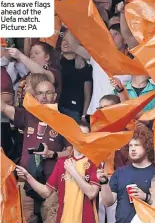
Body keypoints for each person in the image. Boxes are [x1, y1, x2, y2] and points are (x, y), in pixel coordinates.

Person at [1, 80, 73, 223]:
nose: (44, 97)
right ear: (34, 96)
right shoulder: (27, 115)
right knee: (25, 219)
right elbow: (3, 106)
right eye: (39, 93)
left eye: (48, 93)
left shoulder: (64, 120)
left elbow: (71, 152)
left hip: (52, 183)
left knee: (51, 220)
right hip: (26, 180)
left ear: (55, 96)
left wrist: (52, 154)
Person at [15, 119, 100, 223]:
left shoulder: (94, 162)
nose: (80, 138)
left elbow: (91, 193)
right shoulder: (62, 162)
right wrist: (27, 175)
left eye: (85, 135)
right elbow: (46, 192)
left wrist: (73, 171)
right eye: (77, 134)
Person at [98, 127, 155, 223]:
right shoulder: (119, 172)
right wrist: (104, 183)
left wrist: (145, 197)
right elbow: (108, 202)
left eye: (137, 145)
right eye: (130, 146)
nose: (133, 149)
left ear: (147, 147)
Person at [97, 94, 130, 223]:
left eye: (105, 107)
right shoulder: (95, 129)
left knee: (113, 219)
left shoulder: (125, 132)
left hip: (116, 181)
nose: (101, 111)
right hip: (98, 179)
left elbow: (128, 159)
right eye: (99, 107)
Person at [8, 42, 62, 107]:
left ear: (47, 57)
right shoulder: (28, 74)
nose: (32, 56)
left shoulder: (53, 71)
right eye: (31, 54)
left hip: (44, 113)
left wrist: (20, 56)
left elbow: (44, 75)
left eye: (37, 53)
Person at [58, 32, 93, 121]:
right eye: (63, 40)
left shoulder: (85, 67)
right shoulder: (56, 62)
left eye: (69, 41)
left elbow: (87, 95)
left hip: (74, 111)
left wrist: (84, 115)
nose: (65, 43)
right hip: (56, 108)